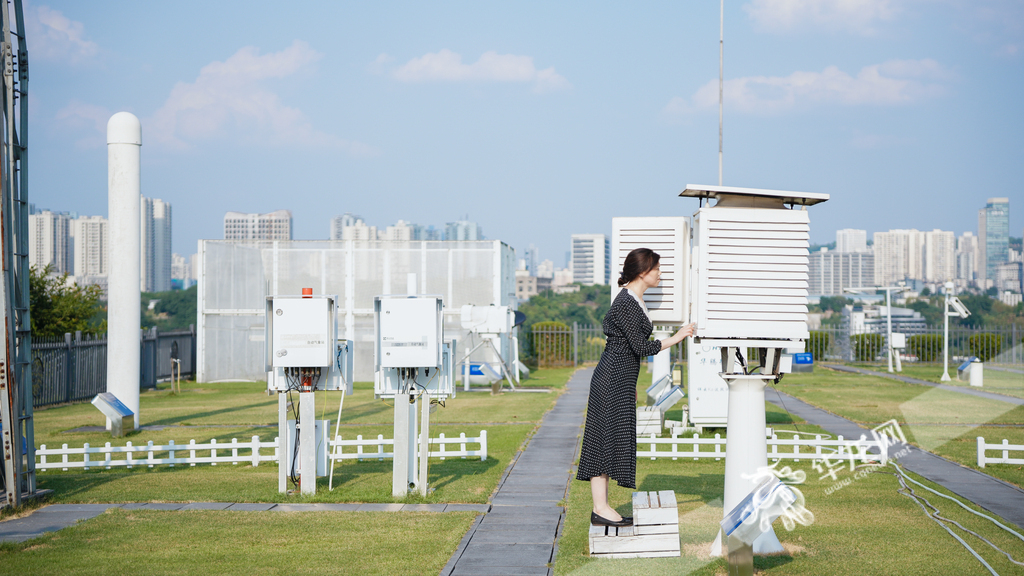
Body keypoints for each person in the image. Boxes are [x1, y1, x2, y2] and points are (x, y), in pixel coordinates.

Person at [575, 247, 695, 527]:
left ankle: (601, 508)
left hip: (620, 379)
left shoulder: (636, 300)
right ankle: (600, 509)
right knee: (602, 441)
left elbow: (630, 349)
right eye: (656, 269)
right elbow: (641, 347)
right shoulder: (627, 302)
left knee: (610, 440)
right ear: (643, 272)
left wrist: (632, 384)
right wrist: (677, 337)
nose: (660, 274)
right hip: (611, 378)